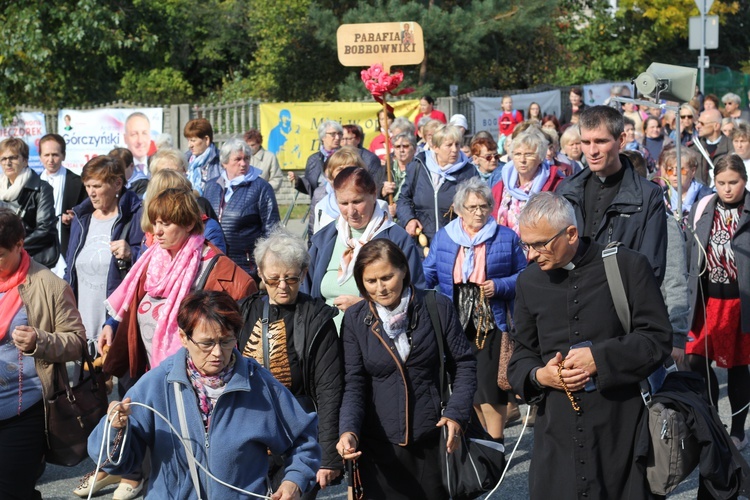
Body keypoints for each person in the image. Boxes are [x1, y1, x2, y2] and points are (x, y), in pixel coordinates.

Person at [508, 192, 672, 499]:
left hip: (621, 428)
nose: (531, 254)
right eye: (526, 244)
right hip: (557, 433)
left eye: (540, 244)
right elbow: (521, 354)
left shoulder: (628, 266)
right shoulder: (528, 282)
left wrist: (599, 358)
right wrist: (539, 376)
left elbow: (657, 339)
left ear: (570, 233)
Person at [88, 290, 321, 499]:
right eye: (207, 343)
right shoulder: (156, 384)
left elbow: (303, 440)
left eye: (227, 340)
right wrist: (114, 428)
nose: (218, 352)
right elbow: (115, 463)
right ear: (183, 338)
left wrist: (294, 482)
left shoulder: (258, 383)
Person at [336, 239, 476, 499]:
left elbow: (465, 365)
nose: (380, 288)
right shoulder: (355, 319)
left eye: (387, 277)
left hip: (432, 439)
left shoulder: (437, 305)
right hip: (379, 447)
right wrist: (348, 430)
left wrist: (457, 413)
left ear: (403, 270)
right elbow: (354, 383)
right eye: (371, 281)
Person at [239, 228, 343, 498]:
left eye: (292, 278)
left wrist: (328, 455)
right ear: (261, 274)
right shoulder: (245, 312)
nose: (283, 287)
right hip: (250, 436)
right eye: (273, 279)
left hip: (298, 436)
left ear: (305, 274)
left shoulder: (318, 320)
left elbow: (329, 390)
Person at [423, 178, 525, 443]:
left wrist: (501, 285)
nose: (478, 212)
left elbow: (525, 275)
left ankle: (496, 442)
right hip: (455, 318)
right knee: (467, 385)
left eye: (483, 206)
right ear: (459, 209)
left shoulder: (506, 236)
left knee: (490, 387)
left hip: (491, 320)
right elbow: (429, 274)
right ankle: (483, 443)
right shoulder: (445, 236)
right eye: (471, 207)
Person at [0, 209, 85, 500]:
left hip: (23, 410)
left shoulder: (50, 285)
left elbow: (77, 342)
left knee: (13, 490)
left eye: (0, 255)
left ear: (19, 245)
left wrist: (41, 340)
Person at [556, 106, 668, 284]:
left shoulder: (648, 196)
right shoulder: (566, 190)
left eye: (600, 141)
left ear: (621, 140)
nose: (592, 151)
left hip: (622, 304)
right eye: (586, 142)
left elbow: (651, 268)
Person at [304, 167, 424, 331]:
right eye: (343, 203)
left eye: (357, 202)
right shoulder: (324, 239)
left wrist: (366, 307)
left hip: (375, 343)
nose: (351, 211)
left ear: (374, 194)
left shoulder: (397, 240)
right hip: (327, 345)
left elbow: (415, 298)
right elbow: (306, 293)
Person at [686, 155, 750, 451]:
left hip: (740, 302)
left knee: (738, 367)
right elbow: (692, 249)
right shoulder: (703, 207)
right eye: (721, 183)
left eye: (733, 183)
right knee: (695, 359)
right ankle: (714, 421)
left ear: (744, 181)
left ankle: (738, 430)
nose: (727, 189)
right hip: (707, 299)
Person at [64, 156, 143, 354]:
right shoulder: (81, 219)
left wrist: (131, 253)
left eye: (97, 186)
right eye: (88, 185)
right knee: (85, 384)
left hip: (117, 321)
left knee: (123, 383)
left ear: (117, 184)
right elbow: (70, 268)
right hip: (82, 323)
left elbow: (150, 261)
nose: (91, 192)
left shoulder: (135, 217)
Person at [203, 137, 280, 278]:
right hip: (213, 264)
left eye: (246, 159)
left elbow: (272, 229)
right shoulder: (211, 186)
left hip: (246, 267)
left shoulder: (261, 187)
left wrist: (264, 265)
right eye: (237, 159)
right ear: (224, 162)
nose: (243, 164)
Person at [397, 125, 478, 243]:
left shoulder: (469, 172)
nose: (455, 149)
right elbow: (404, 199)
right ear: (435, 147)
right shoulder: (418, 166)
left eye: (457, 144)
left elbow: (478, 205)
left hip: (455, 241)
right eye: (449, 145)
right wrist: (409, 219)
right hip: (422, 242)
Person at [491, 128, 564, 235]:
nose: (522, 160)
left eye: (529, 154)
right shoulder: (500, 187)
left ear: (540, 157)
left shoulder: (555, 184)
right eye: (517, 154)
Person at [0, 138, 59, 268]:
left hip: (33, 260)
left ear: (25, 161)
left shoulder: (42, 188)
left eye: (13, 158)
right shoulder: (0, 189)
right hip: (5, 260)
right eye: (3, 159)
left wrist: (14, 249)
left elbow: (45, 229)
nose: (8, 163)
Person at [38, 133, 87, 270]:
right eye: (46, 155)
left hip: (67, 247)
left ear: (63, 155)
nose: (51, 160)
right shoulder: (32, 184)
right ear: (40, 156)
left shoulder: (78, 183)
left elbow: (86, 213)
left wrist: (73, 218)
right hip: (39, 251)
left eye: (55, 154)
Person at [658, 145, 712, 223]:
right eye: (670, 170)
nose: (674, 173)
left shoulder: (706, 196)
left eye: (680, 169)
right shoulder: (660, 197)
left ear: (692, 171)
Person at [692, 108, 735, 186]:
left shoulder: (732, 147)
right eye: (698, 122)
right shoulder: (694, 147)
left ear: (716, 126)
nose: (697, 126)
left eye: (702, 123)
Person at [183, 118, 222, 195]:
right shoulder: (185, 159)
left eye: (193, 141)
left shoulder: (221, 161)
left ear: (206, 140)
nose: (189, 145)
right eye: (188, 140)